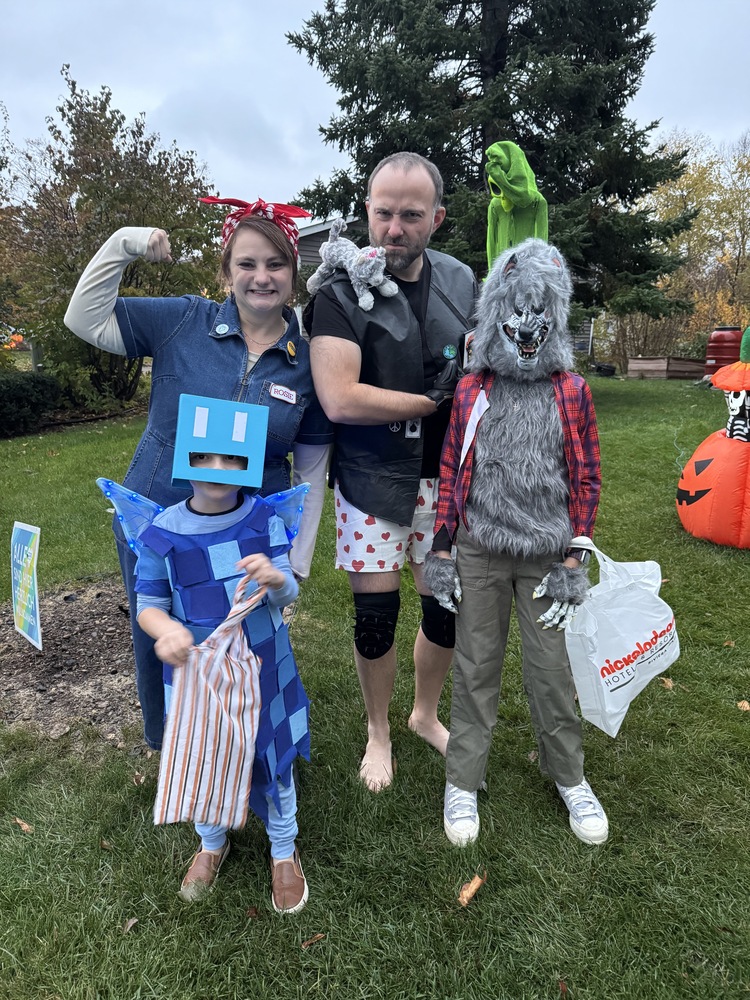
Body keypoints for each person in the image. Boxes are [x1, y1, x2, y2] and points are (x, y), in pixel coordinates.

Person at [65, 198, 333, 751]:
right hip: (157, 521)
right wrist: (125, 241)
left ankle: (247, 749)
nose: (262, 277)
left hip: (246, 534)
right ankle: (173, 748)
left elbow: (309, 464)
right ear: (226, 270)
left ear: (293, 272)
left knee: (245, 640)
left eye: (276, 264)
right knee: (161, 634)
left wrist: (297, 556)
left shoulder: (307, 360)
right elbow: (83, 318)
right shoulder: (183, 320)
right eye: (247, 264)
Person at [423, 238, 608, 847]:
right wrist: (443, 549)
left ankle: (570, 776)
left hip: (545, 554)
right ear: (494, 314)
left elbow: (584, 473)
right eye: (515, 310)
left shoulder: (570, 390)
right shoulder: (476, 389)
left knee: (550, 671)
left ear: (555, 316)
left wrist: (575, 556)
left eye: (540, 311)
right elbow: (453, 466)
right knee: (476, 667)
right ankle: (464, 780)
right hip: (478, 547)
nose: (526, 325)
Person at [307, 152, 478, 791]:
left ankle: (423, 716)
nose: (394, 229)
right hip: (371, 479)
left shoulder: (463, 283)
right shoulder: (337, 291)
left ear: (435, 217)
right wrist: (433, 400)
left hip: (447, 482)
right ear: (368, 211)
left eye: (411, 215)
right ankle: (378, 731)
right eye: (383, 213)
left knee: (444, 612)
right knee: (375, 619)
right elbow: (341, 398)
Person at [132, 403, 310, 912]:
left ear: (249, 461)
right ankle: (211, 841)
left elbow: (288, 591)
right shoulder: (163, 531)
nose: (216, 470)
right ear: (184, 459)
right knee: (205, 751)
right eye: (203, 456)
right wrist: (165, 630)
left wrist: (277, 580)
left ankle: (282, 849)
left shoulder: (263, 520)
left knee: (271, 755)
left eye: (231, 458)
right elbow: (149, 603)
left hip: (262, 662)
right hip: (198, 673)